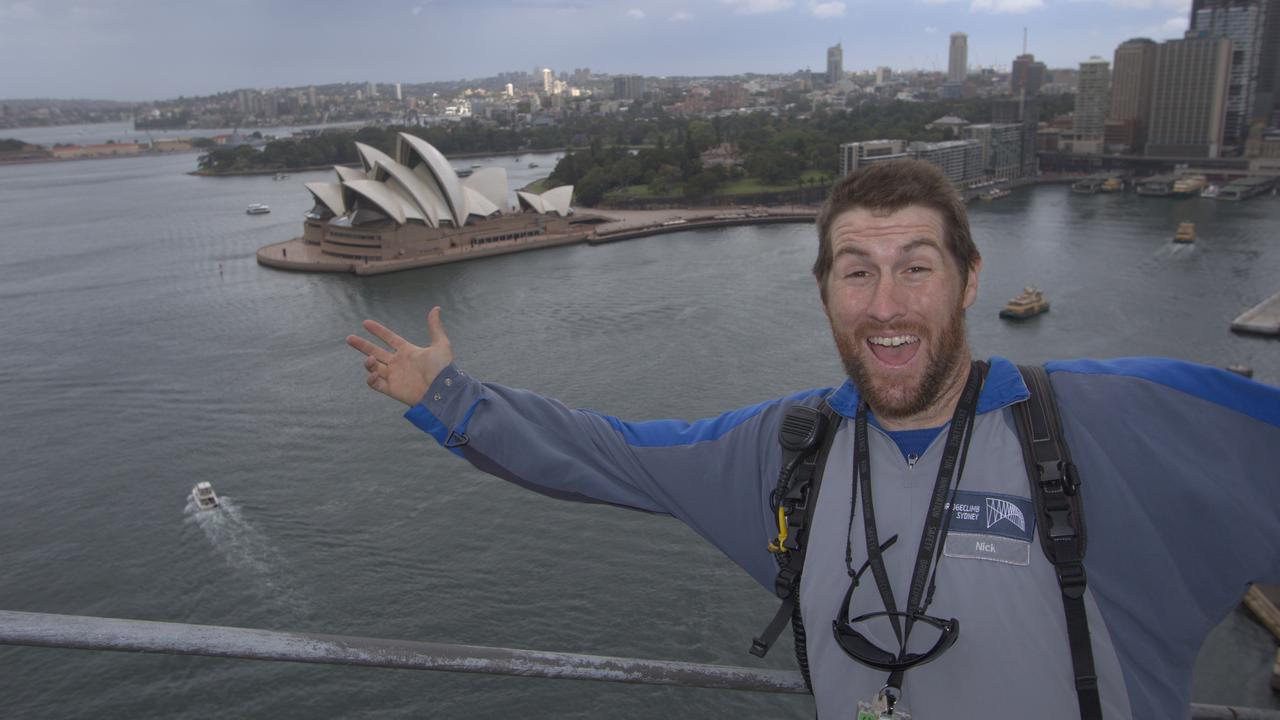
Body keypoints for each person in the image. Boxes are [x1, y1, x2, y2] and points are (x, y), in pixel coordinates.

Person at [347, 160, 1280, 720]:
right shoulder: (789, 452)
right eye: (856, 272)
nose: (886, 306)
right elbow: (615, 453)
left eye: (917, 268)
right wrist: (453, 400)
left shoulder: (1118, 421)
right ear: (823, 290)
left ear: (968, 280)